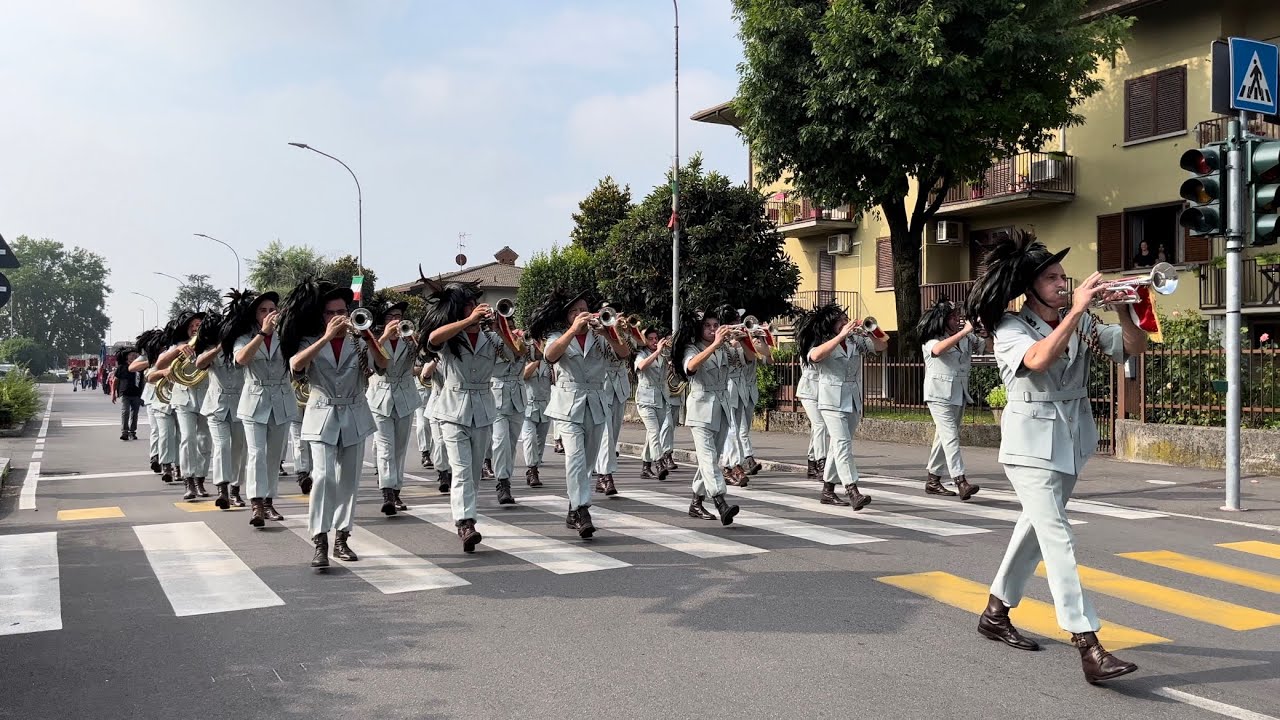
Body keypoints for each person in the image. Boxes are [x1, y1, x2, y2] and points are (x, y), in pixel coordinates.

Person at [965, 229, 1149, 684]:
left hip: (1071, 438)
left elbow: (1132, 347)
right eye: (1051, 278)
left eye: (1063, 277)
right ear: (1029, 288)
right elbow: (1039, 360)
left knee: (1034, 529)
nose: (1062, 284)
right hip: (1029, 444)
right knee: (1057, 536)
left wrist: (1124, 309)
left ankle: (995, 613)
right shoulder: (1010, 327)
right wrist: (1079, 310)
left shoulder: (1078, 321)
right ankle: (1087, 642)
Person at [283, 280, 377, 568]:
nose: (338, 316)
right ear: (321, 316)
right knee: (324, 478)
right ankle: (320, 539)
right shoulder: (310, 341)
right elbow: (296, 365)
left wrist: (369, 336)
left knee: (349, 480)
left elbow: (382, 365)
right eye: (330, 312)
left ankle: (342, 537)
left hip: (355, 414)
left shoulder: (358, 341)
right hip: (321, 415)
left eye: (342, 311)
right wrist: (326, 337)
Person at [529, 289, 631, 538]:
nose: (580, 314)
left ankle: (573, 508)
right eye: (574, 311)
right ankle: (583, 510)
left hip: (596, 401)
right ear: (566, 317)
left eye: (583, 309)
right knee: (574, 458)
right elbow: (550, 355)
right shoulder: (558, 335)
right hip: (568, 403)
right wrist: (573, 330)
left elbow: (624, 354)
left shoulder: (600, 335)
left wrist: (609, 333)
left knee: (587, 462)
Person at [422, 278, 514, 552]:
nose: (475, 308)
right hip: (452, 410)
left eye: (476, 304)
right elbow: (433, 339)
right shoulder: (451, 335)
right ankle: (465, 523)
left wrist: (502, 327)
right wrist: (467, 321)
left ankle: (467, 517)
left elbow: (515, 354)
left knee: (473, 472)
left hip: (482, 409)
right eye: (469, 305)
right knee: (461, 470)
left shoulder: (491, 338)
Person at [795, 303, 887, 509]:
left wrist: (871, 332)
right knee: (843, 444)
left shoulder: (855, 340)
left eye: (846, 320)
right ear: (831, 324)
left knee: (839, 445)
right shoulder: (821, 341)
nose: (846, 323)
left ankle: (828, 490)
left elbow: (881, 346)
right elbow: (815, 356)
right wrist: (841, 336)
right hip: (830, 400)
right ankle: (852, 489)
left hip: (852, 398)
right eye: (841, 321)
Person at [668, 308, 741, 525]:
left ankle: (696, 502)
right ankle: (720, 501)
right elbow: (690, 367)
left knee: (709, 459)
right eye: (707, 326)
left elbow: (747, 359)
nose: (712, 329)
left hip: (721, 407)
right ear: (699, 329)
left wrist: (745, 339)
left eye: (715, 325)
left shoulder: (724, 347)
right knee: (708, 457)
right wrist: (715, 344)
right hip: (701, 408)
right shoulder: (692, 348)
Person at [233, 288, 297, 528]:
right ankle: (256, 503)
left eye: (272, 310)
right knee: (256, 453)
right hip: (255, 400)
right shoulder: (245, 337)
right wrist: (262, 333)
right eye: (263, 310)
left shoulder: (286, 336)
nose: (269, 314)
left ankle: (269, 501)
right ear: (255, 315)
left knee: (274, 456)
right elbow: (241, 359)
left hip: (281, 398)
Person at [916, 298, 985, 500]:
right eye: (953, 317)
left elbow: (986, 347)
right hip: (938, 395)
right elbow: (938, 351)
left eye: (958, 317)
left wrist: (986, 329)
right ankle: (960, 481)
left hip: (958, 393)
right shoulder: (931, 338)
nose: (958, 320)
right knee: (951, 437)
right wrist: (964, 332)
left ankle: (933, 480)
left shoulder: (964, 337)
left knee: (944, 437)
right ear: (943, 320)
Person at [367, 301, 421, 516]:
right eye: (391, 317)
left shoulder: (408, 339)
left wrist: (414, 340)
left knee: (400, 448)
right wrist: (382, 338)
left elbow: (423, 358)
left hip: (405, 397)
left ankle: (396, 489)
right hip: (381, 397)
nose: (396, 321)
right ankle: (387, 492)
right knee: (385, 447)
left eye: (398, 316)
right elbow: (368, 363)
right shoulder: (373, 339)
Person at [153, 310, 213, 501]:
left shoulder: (210, 344)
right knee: (188, 438)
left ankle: (200, 479)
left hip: (207, 396)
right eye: (192, 325)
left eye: (199, 325)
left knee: (204, 440)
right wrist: (178, 349)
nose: (195, 328)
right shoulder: (178, 345)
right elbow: (159, 364)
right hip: (183, 398)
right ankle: (189, 481)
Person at [205, 296, 252, 510]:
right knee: (222, 446)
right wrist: (219, 348)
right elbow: (200, 363)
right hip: (217, 406)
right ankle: (222, 489)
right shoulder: (213, 347)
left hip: (241, 405)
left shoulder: (245, 347)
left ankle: (235, 489)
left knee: (239, 450)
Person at [717, 306, 769, 485]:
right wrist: (727, 341)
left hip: (740, 389)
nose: (737, 325)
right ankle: (735, 466)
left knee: (737, 429)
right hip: (727, 387)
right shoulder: (718, 342)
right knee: (732, 430)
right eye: (734, 322)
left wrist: (744, 341)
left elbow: (752, 358)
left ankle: (728, 467)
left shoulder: (739, 340)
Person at [592, 305, 633, 496]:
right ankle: (606, 476)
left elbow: (627, 352)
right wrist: (604, 330)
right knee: (606, 433)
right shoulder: (595, 332)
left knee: (613, 434)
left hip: (620, 386)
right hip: (603, 384)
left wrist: (619, 331)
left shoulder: (621, 332)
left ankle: (601, 473)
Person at [487, 310, 525, 506]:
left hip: (518, 395)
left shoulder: (520, 340)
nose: (508, 330)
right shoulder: (489, 341)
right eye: (504, 327)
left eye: (510, 327)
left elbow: (532, 353)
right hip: (497, 395)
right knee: (500, 441)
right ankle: (502, 482)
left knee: (510, 443)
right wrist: (497, 333)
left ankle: (506, 478)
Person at [633, 328, 671, 481]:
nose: (655, 341)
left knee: (652, 434)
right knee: (654, 432)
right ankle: (659, 462)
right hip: (645, 399)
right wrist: (658, 352)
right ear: (644, 341)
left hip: (661, 398)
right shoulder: (641, 354)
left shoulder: (663, 354)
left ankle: (645, 467)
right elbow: (642, 366)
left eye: (656, 338)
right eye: (651, 339)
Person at [519, 339, 551, 487]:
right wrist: (538, 360)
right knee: (529, 438)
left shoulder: (550, 361)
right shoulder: (523, 360)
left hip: (545, 405)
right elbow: (524, 375)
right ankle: (532, 470)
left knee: (540, 441)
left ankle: (534, 467)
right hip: (527, 405)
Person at [419, 352, 452, 492]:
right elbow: (425, 374)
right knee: (440, 442)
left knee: (453, 443)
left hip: (456, 405)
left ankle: (451, 473)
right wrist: (437, 358)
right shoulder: (434, 358)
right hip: (437, 404)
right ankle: (443, 473)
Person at [795, 357, 826, 480]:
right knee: (820, 425)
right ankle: (822, 462)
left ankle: (812, 464)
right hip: (808, 391)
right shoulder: (808, 348)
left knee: (816, 427)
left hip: (823, 391)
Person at [111, 347, 145, 441]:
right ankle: (124, 432)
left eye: (135, 354)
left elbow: (143, 381)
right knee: (125, 411)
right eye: (131, 355)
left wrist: (143, 395)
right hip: (124, 393)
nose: (134, 356)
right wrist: (113, 393)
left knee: (135, 413)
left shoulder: (140, 367)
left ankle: (132, 432)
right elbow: (115, 381)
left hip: (137, 394)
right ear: (127, 357)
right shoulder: (121, 367)